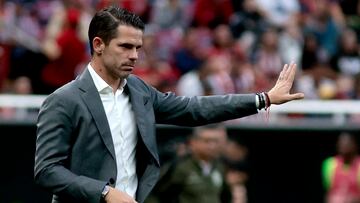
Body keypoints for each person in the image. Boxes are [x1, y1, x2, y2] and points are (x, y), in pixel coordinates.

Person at [34, 6, 304, 203]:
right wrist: (103, 192)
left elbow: (193, 109)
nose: (134, 56)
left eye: (138, 48)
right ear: (98, 44)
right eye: (125, 46)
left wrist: (263, 99)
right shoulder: (63, 100)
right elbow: (47, 171)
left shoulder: (139, 91)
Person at [152, 124, 232, 203]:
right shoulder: (180, 166)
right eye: (207, 141)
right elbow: (155, 193)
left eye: (216, 141)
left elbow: (225, 196)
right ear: (193, 142)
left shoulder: (221, 166)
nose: (212, 146)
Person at [322, 132, 360, 203]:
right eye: (342, 143)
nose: (344, 146)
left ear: (355, 145)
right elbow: (328, 192)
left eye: (348, 143)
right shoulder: (330, 164)